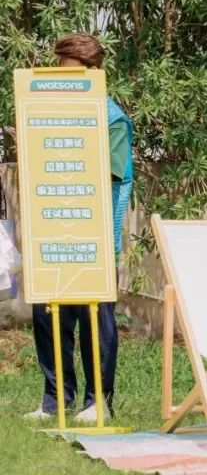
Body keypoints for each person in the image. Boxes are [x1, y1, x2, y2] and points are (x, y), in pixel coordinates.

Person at [25, 34, 133, 422]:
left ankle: (98, 401)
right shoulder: (50, 114)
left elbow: (106, 175)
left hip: (93, 237)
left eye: (71, 75)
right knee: (49, 317)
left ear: (94, 73)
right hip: (52, 232)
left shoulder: (113, 119)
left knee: (94, 321)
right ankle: (55, 400)